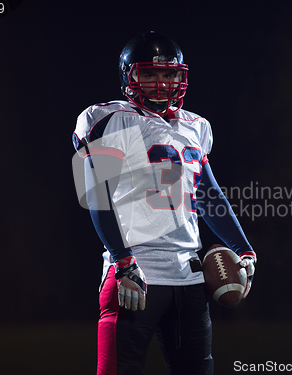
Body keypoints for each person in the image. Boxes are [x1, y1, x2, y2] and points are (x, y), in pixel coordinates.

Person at [72, 31, 257, 375]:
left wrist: (244, 248)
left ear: (180, 76)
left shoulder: (195, 126)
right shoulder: (112, 118)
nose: (161, 83)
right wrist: (123, 261)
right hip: (135, 274)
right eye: (150, 74)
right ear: (130, 75)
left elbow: (208, 195)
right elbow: (98, 196)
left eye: (168, 74)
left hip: (189, 277)